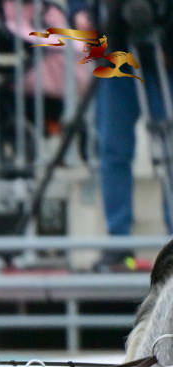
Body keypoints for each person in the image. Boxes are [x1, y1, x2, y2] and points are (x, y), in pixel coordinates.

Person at [72, 1, 173, 270]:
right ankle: (118, 244)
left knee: (170, 147)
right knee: (113, 148)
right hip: (115, 48)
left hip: (163, 48)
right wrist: (79, 12)